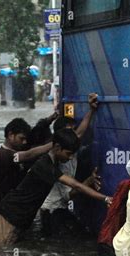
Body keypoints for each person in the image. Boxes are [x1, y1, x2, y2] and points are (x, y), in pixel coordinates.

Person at [0, 129, 113, 245]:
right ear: (57, 148)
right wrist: (105, 198)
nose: (70, 158)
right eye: (68, 154)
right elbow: (76, 185)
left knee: (8, 254)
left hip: (23, 216)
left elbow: (78, 133)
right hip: (11, 212)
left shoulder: (52, 163)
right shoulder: (45, 165)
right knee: (0, 252)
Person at [40, 93, 99, 236]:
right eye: (70, 132)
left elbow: (79, 134)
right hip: (53, 212)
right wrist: (90, 181)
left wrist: (91, 110)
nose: (75, 136)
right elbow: (70, 194)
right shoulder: (56, 158)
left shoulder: (69, 149)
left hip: (56, 210)